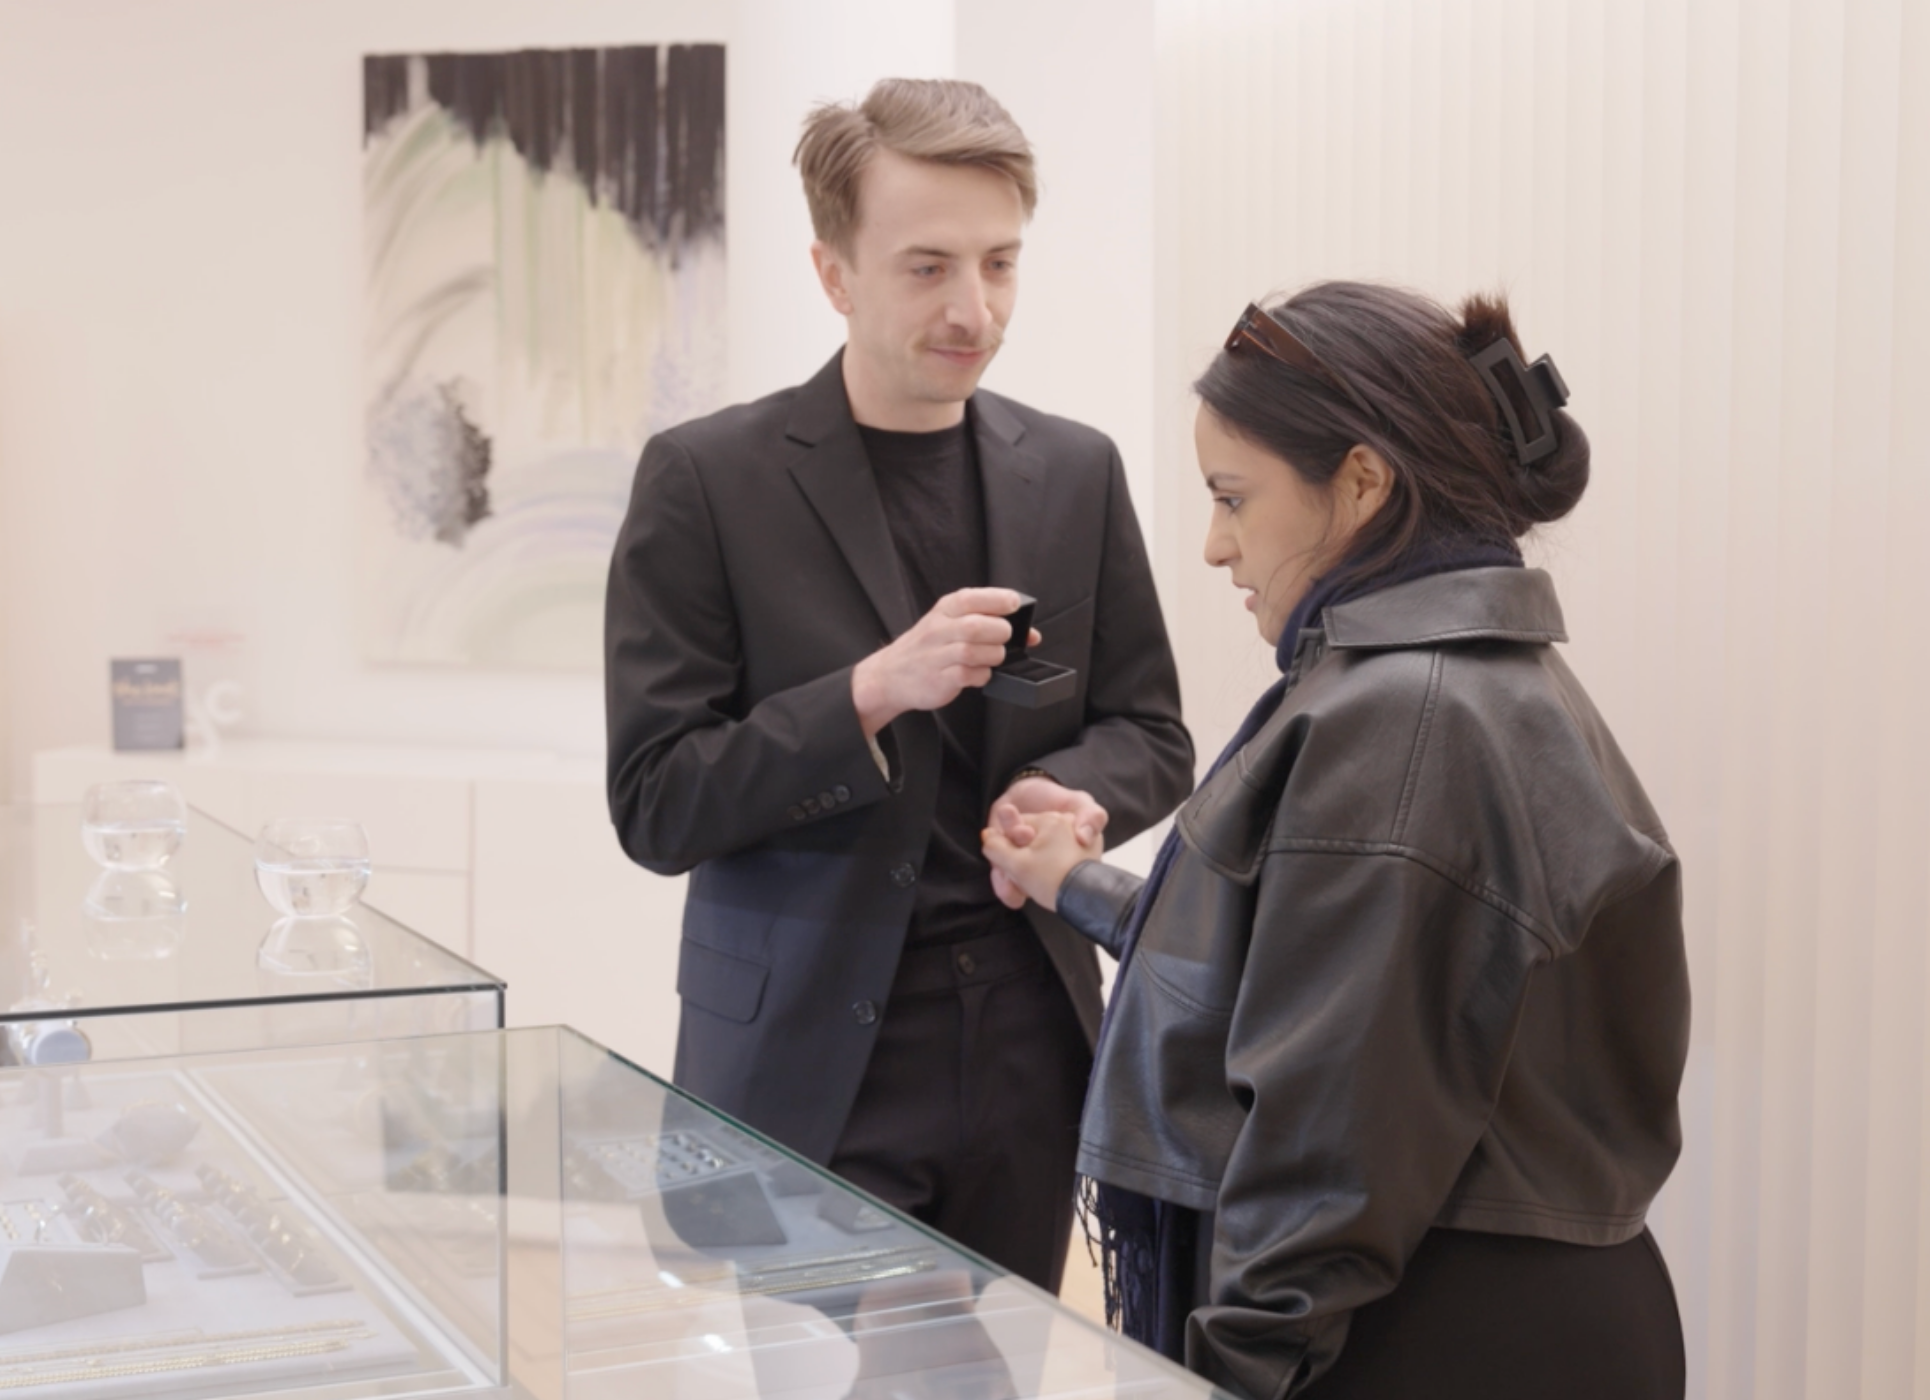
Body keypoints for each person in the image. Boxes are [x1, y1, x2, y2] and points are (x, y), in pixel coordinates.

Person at [983, 281, 1689, 1396]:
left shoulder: (1402, 718)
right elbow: (1307, 970)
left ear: (1359, 481)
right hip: (1512, 1312)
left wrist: (1223, 1374)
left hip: (1431, 1334)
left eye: (1232, 497)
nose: (1216, 545)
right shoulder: (1471, 683)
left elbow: (1332, 1144)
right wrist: (1075, 882)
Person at [604, 78, 1193, 1293]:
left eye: (999, 264)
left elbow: (1147, 730)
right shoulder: (706, 480)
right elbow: (656, 799)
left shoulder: (1075, 471)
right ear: (834, 273)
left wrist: (1065, 793)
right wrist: (866, 693)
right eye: (927, 266)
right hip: (808, 1055)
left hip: (1029, 1039)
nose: (972, 309)